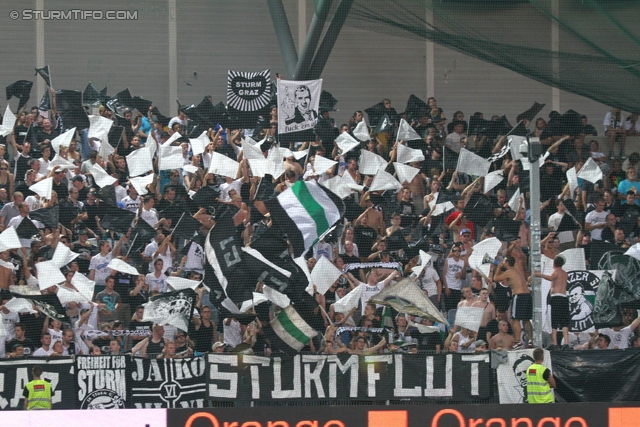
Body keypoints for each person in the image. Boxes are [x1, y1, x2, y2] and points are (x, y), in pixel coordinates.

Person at [493, 256, 531, 348]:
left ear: (507, 263)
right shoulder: (517, 270)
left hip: (519, 296)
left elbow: (496, 278)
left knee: (516, 319)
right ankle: (530, 340)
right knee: (526, 320)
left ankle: (518, 341)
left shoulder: (509, 272)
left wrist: (498, 268)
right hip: (527, 296)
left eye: (504, 262)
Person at [534, 256, 570, 347]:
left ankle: (554, 343)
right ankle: (566, 342)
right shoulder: (565, 273)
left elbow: (551, 278)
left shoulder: (556, 271)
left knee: (555, 321)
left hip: (556, 297)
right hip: (564, 298)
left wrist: (539, 274)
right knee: (564, 321)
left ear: (554, 264)